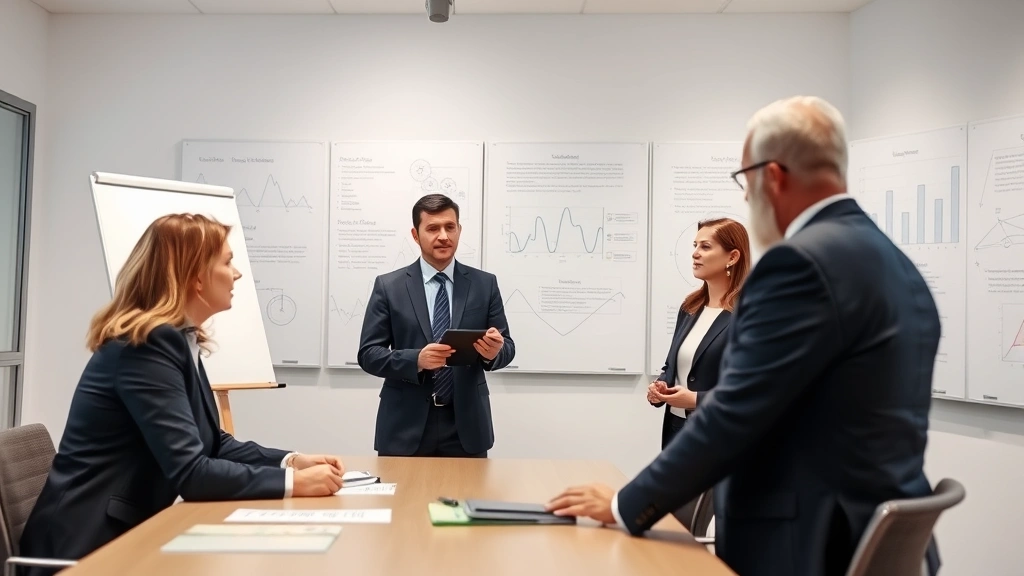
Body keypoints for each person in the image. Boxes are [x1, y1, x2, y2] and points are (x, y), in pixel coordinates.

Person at [546, 96, 942, 576]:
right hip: (880, 540)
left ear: (771, 177)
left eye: (745, 181)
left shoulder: (798, 263)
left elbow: (733, 413)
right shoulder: (897, 265)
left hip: (807, 544)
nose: (746, 198)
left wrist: (626, 504)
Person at [20, 214, 347, 572]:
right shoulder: (145, 345)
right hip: (87, 549)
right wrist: (293, 483)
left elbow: (214, 445)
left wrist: (290, 461)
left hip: (133, 532)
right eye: (227, 262)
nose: (237, 274)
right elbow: (192, 473)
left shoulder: (179, 340)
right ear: (196, 277)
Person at [358, 194, 514, 458]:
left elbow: (507, 346)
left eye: (450, 227)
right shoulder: (389, 287)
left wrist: (494, 353)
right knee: (405, 500)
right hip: (404, 426)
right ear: (416, 235)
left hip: (466, 426)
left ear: (459, 230)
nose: (443, 236)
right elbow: (368, 354)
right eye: (432, 228)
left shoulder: (484, 284)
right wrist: (416, 359)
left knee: (469, 500)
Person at [646, 217, 750, 529]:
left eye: (705, 246)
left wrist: (697, 399)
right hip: (678, 434)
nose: (695, 253)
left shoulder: (747, 313)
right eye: (695, 246)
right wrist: (660, 387)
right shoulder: (690, 307)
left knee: (717, 530)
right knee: (679, 527)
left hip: (720, 439)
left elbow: (748, 388)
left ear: (733, 256)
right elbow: (672, 367)